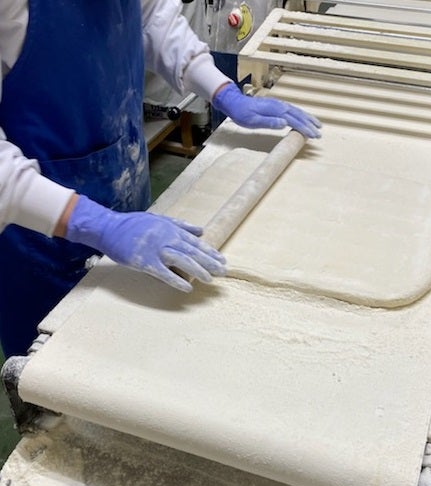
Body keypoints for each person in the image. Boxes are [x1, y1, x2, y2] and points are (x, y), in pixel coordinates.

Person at [0, 0, 321, 358]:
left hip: (123, 179)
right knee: (58, 370)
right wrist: (97, 224)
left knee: (133, 349)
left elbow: (154, 18)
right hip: (36, 228)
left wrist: (221, 89)